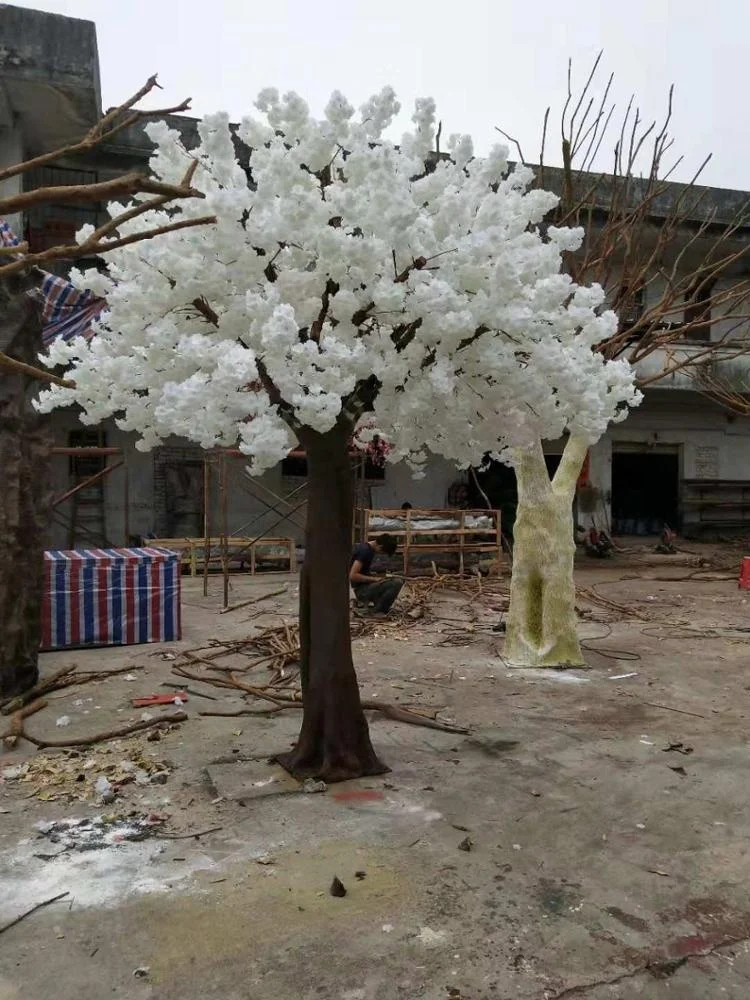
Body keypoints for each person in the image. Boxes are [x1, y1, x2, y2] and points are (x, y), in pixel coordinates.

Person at [350, 533, 403, 615]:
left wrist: (375, 576)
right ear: (380, 547)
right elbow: (353, 575)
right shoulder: (365, 552)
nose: (380, 554)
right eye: (383, 552)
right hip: (359, 590)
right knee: (396, 583)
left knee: (387, 581)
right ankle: (378, 611)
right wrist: (374, 579)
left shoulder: (366, 548)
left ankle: (375, 607)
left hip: (361, 587)